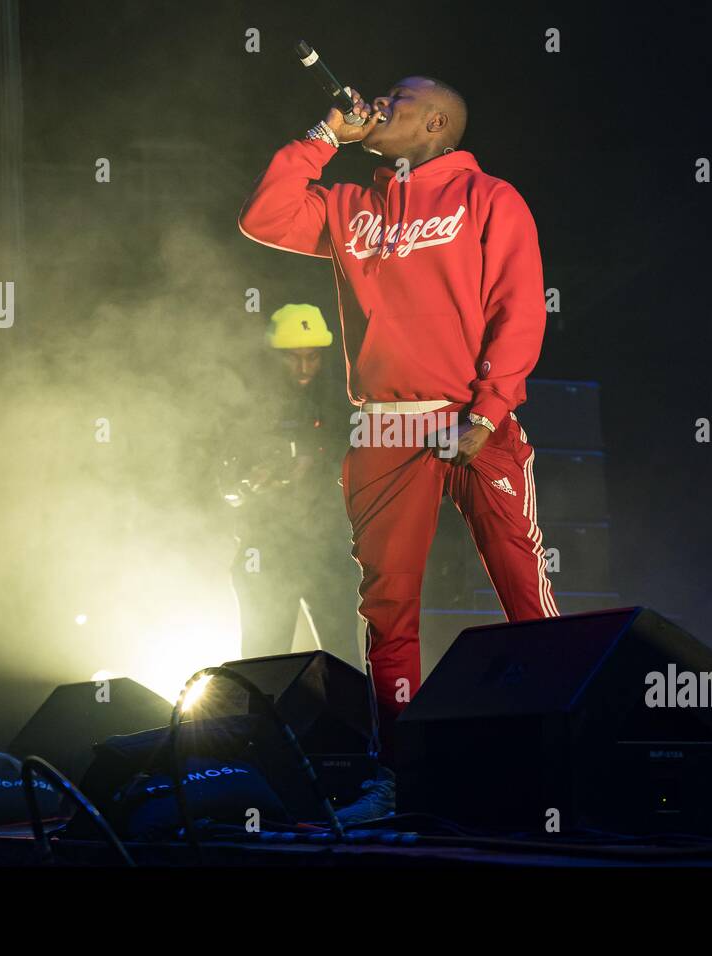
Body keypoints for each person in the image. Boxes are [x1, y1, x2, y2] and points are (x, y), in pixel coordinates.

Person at [239, 77, 559, 817]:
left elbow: (519, 304)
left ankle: (554, 762)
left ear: (437, 122)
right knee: (388, 612)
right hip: (384, 424)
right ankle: (400, 778)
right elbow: (264, 215)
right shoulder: (352, 206)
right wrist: (325, 134)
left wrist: (489, 410)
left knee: (524, 593)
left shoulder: (490, 198)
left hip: (471, 417)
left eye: (397, 101)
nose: (379, 106)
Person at [220, 304, 361, 665]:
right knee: (262, 665)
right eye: (292, 358)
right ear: (274, 357)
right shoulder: (245, 403)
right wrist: (247, 483)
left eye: (312, 357)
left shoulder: (344, 399)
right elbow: (222, 480)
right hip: (266, 549)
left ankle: (349, 722)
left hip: (327, 548)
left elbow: (360, 451)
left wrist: (314, 459)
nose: (303, 368)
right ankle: (262, 724)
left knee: (342, 662)